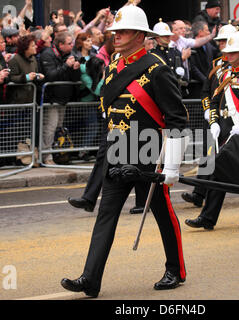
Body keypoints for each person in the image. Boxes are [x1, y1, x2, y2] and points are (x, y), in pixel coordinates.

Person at [60, 5, 188, 298]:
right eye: (115, 31)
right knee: (105, 215)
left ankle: (175, 269)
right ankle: (90, 279)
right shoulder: (113, 66)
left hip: (148, 152)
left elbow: (177, 119)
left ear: (141, 36)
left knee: (162, 213)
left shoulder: (157, 69)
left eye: (123, 31)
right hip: (118, 151)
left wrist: (171, 166)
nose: (116, 36)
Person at [184, 31, 239, 230]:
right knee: (217, 173)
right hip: (223, 130)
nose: (227, 55)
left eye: (232, 52)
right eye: (227, 52)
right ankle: (208, 218)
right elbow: (213, 101)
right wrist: (213, 121)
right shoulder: (224, 74)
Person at [181, 22, 236, 208]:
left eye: (225, 41)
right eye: (219, 42)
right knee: (208, 154)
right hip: (214, 118)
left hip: (234, 119)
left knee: (235, 158)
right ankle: (199, 193)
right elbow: (206, 92)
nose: (221, 45)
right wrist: (207, 110)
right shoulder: (216, 65)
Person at [39, 31, 81, 165]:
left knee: (58, 127)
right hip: (51, 99)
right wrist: (66, 66)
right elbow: (50, 76)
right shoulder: (48, 54)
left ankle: (57, 154)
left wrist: (75, 69)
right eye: (69, 44)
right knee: (50, 127)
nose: (72, 46)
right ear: (61, 45)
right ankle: (47, 156)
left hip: (63, 99)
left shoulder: (69, 55)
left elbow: (75, 79)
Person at [8, 34, 45, 104]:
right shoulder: (15, 60)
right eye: (33, 46)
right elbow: (11, 77)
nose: (36, 47)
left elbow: (34, 73)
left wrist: (38, 76)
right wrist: (26, 77)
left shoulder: (33, 59)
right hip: (18, 100)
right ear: (25, 48)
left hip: (31, 98)